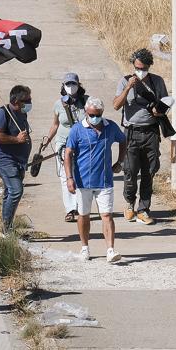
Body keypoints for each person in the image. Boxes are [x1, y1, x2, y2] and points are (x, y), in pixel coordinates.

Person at [64, 96, 128, 263]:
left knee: (106, 215)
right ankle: (85, 247)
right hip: (82, 181)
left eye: (97, 114)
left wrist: (120, 162)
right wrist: (69, 178)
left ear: (102, 112)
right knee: (83, 215)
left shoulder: (111, 127)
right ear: (86, 112)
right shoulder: (77, 129)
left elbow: (123, 141)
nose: (94, 117)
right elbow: (68, 154)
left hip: (104, 180)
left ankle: (110, 250)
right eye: (91, 114)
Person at [112, 48, 167, 226]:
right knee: (130, 171)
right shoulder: (124, 81)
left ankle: (144, 209)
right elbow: (116, 105)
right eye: (137, 67)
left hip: (150, 132)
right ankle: (129, 204)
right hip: (131, 132)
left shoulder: (157, 82)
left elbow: (165, 105)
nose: (140, 71)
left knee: (149, 172)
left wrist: (158, 111)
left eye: (143, 68)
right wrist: (128, 87)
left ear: (149, 66)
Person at [0, 85, 33, 235]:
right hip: (6, 161)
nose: (30, 101)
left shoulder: (21, 113)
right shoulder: (3, 113)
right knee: (16, 191)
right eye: (26, 99)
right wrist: (16, 139)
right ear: (16, 101)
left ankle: (7, 226)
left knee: (9, 192)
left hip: (19, 161)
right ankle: (6, 230)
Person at [45, 72, 89, 224]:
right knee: (66, 176)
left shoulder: (87, 101)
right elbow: (56, 124)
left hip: (82, 144)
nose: (71, 87)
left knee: (80, 175)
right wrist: (47, 140)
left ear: (79, 85)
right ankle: (70, 209)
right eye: (68, 84)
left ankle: (80, 207)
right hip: (63, 144)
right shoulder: (59, 104)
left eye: (73, 84)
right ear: (63, 86)